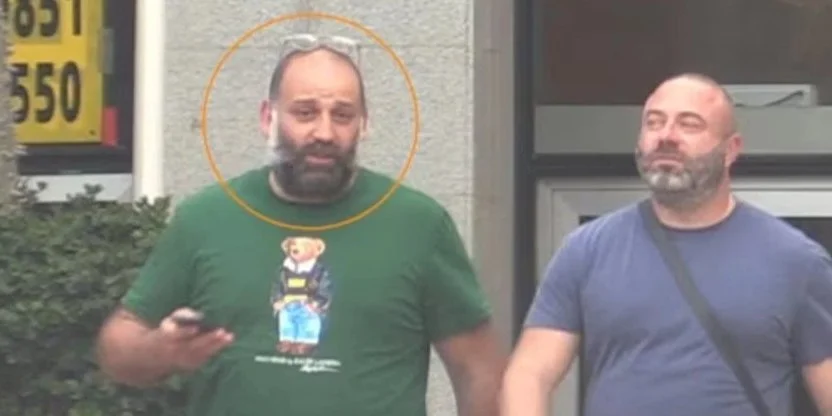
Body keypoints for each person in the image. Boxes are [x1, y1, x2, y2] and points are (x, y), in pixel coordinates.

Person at [95, 33, 504, 416]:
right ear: (267, 118)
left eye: (342, 115)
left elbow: (479, 370)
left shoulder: (418, 226)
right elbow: (117, 349)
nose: (324, 132)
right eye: (305, 113)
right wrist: (160, 350)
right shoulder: (205, 219)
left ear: (364, 124)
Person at [501, 73, 832, 416]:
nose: (666, 137)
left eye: (689, 125)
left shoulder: (795, 261)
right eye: (654, 122)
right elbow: (529, 374)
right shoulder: (587, 250)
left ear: (731, 150)